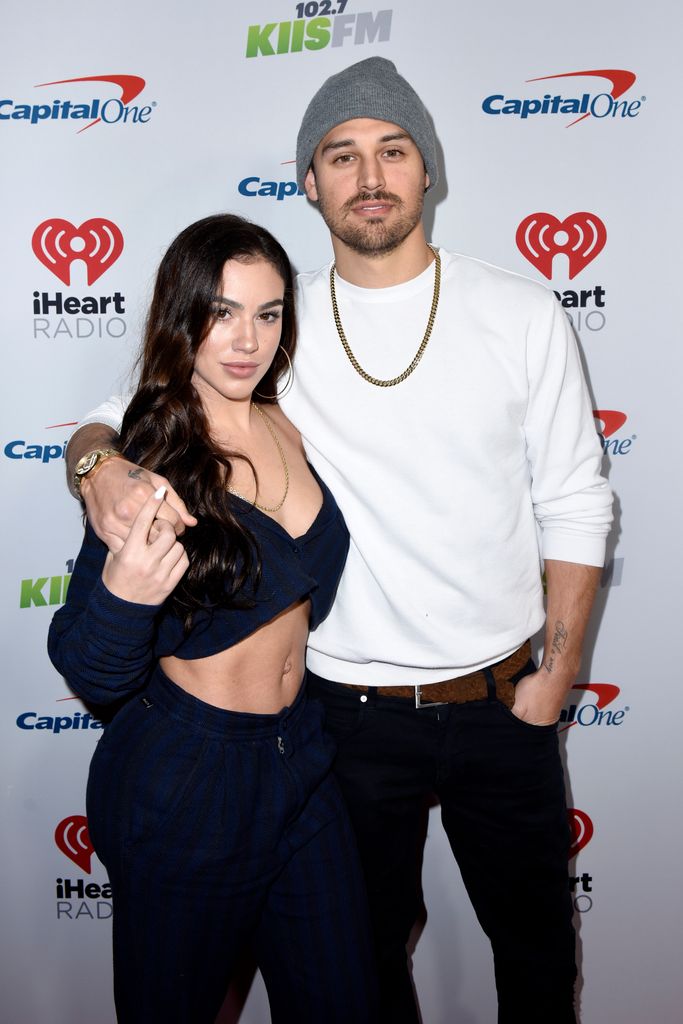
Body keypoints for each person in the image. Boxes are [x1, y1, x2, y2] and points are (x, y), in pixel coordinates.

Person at [65, 59, 613, 1024]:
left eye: (393, 150)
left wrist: (551, 685)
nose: (370, 175)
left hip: (500, 704)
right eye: (342, 154)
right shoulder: (275, 320)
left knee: (534, 954)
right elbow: (118, 418)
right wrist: (94, 469)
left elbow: (576, 502)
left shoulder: (521, 311)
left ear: (426, 171)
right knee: (360, 967)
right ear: (307, 181)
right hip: (342, 719)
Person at [48, 214, 378, 1024]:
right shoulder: (151, 460)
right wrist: (126, 592)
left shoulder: (288, 419)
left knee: (346, 1003)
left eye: (268, 315)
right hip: (187, 776)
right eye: (222, 312)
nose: (247, 339)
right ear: (182, 314)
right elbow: (88, 665)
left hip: (299, 756)